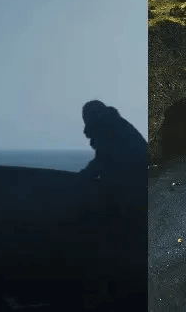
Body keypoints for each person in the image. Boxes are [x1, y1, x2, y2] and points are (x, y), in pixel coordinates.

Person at [78, 100, 148, 309]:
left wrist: (82, 178)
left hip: (129, 196)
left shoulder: (108, 129)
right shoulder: (116, 125)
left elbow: (103, 161)